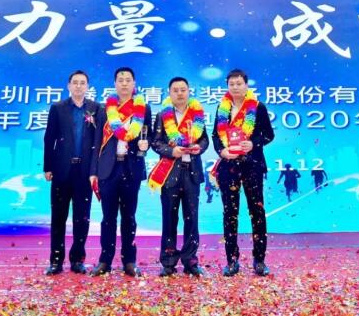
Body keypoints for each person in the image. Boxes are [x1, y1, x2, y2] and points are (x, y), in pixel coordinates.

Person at [212, 68, 275, 277]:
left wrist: (253, 143)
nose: (235, 87)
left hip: (252, 165)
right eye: (232, 84)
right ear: (227, 86)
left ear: (246, 85)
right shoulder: (222, 108)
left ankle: (259, 260)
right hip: (228, 166)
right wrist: (222, 151)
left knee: (257, 212)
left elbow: (269, 135)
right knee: (230, 213)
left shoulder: (258, 107)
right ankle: (232, 260)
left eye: (239, 83)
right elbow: (215, 136)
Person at [89, 67, 152, 277]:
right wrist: (93, 171)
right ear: (115, 83)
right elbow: (97, 141)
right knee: (108, 218)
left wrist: (145, 146)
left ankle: (129, 261)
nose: (124, 83)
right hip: (108, 169)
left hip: (132, 168)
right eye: (120, 80)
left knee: (129, 217)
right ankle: (104, 260)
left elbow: (148, 136)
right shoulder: (104, 109)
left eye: (128, 80)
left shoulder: (144, 108)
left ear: (134, 83)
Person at [43, 70, 102, 275]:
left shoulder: (96, 109)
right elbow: (49, 138)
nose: (78, 86)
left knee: (82, 217)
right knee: (58, 217)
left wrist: (96, 170)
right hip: (61, 170)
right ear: (68, 86)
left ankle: (77, 260)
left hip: (85, 172)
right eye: (75, 82)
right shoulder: (58, 108)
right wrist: (48, 167)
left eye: (82, 83)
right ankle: (56, 261)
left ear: (87, 87)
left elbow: (99, 141)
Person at [149, 77, 209, 277]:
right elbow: (156, 142)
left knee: (192, 218)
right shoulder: (162, 116)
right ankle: (168, 261)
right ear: (170, 93)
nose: (180, 93)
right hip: (170, 173)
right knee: (169, 218)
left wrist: (199, 147)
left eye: (183, 89)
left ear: (189, 91)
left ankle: (190, 260)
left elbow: (205, 140)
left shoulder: (197, 114)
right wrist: (171, 151)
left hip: (192, 173)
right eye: (175, 90)